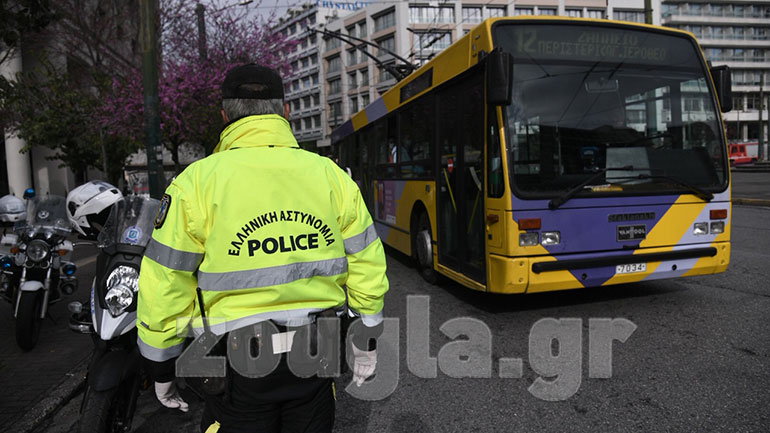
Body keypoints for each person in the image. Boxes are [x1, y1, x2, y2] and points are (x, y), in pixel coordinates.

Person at [136, 63, 389, 433]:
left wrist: (161, 365)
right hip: (318, 352)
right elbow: (366, 262)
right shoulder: (332, 176)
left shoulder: (195, 184)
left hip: (234, 363)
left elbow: (167, 282)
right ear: (285, 111)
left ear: (225, 115)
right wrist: (366, 337)